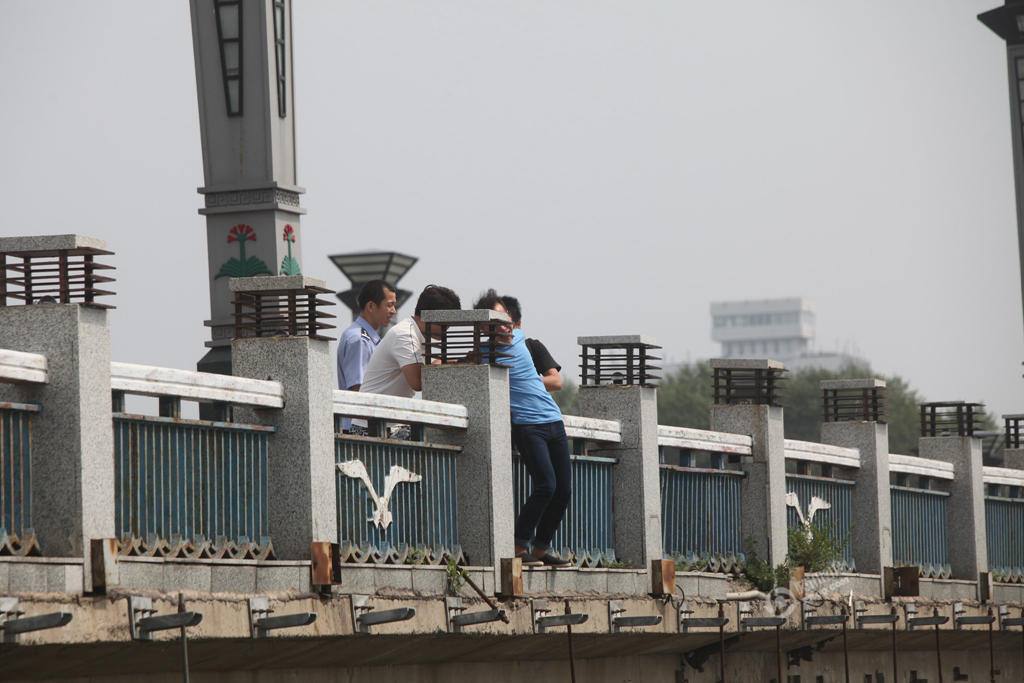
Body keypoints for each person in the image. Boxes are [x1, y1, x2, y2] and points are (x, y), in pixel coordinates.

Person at [473, 290, 571, 568]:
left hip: (553, 419)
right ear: (484, 327)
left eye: (507, 319)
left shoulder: (519, 338)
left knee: (564, 490)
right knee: (546, 486)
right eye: (498, 321)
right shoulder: (485, 353)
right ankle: (518, 546)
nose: (506, 325)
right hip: (528, 426)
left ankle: (541, 549)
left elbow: (555, 380)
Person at [360, 284, 461, 398]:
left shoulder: (416, 333)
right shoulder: (405, 334)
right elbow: (417, 382)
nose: (447, 328)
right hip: (373, 412)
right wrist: (445, 361)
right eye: (446, 323)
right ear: (433, 316)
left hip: (382, 410)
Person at [336, 280, 397, 433]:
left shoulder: (367, 338)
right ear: (371, 306)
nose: (393, 310)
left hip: (366, 426)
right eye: (389, 305)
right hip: (360, 429)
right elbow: (359, 389)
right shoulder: (359, 340)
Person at [498, 294, 562, 392]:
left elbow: (556, 382)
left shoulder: (532, 346)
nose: (503, 330)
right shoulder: (488, 350)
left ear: (518, 324)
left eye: (507, 326)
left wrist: (522, 381)